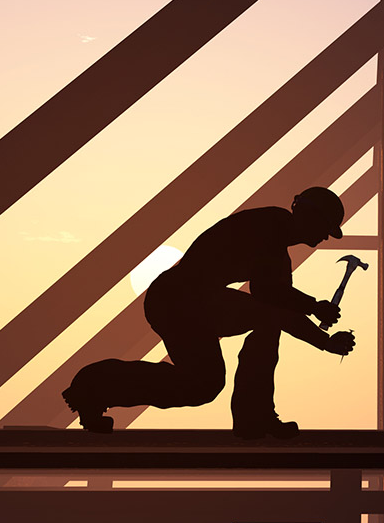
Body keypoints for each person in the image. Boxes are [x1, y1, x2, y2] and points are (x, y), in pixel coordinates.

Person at [61, 187, 355, 439]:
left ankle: (95, 389)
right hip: (182, 301)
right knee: (265, 325)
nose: (326, 238)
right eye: (325, 228)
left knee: (202, 385)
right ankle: (254, 418)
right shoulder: (269, 232)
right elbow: (274, 305)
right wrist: (323, 337)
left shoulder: (274, 237)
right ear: (310, 218)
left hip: (184, 301)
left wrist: (313, 309)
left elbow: (274, 298)